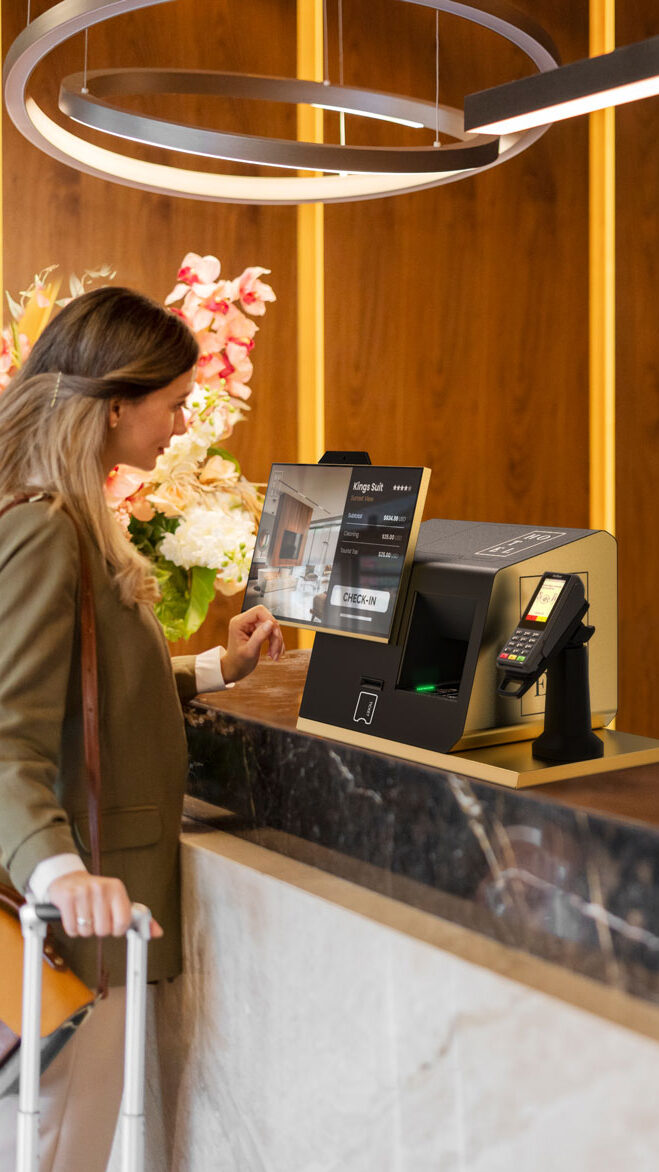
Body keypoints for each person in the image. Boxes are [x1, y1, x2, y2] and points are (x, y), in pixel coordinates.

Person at [0, 286, 284, 1172]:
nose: (178, 426)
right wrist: (61, 872)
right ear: (115, 403)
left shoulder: (62, 514)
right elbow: (7, 733)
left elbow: (87, 689)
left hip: (86, 913)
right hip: (76, 923)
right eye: (172, 405)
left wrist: (212, 670)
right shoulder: (48, 528)